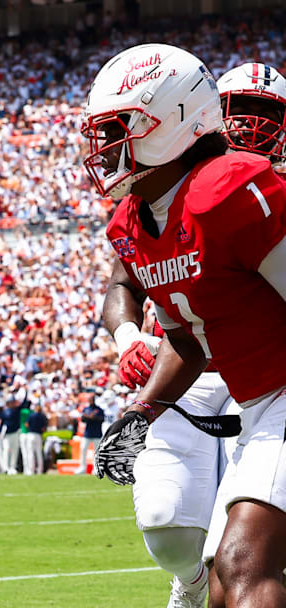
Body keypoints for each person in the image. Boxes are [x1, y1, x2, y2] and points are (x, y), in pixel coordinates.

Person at [84, 44, 286, 608]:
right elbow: (185, 340)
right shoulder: (137, 221)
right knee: (221, 586)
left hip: (280, 392)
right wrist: (142, 411)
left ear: (170, 122)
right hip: (259, 399)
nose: (105, 150)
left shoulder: (228, 187)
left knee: (245, 564)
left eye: (118, 129)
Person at [76, 399, 104, 476]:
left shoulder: (99, 410)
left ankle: (96, 468)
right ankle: (82, 468)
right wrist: (90, 417)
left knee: (96, 452)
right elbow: (83, 419)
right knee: (83, 450)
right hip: (87, 434)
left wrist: (92, 417)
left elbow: (101, 419)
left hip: (97, 434)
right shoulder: (86, 409)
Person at [22, 403, 47, 475]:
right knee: (39, 453)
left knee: (31, 453)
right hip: (39, 435)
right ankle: (40, 470)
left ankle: (31, 470)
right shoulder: (43, 416)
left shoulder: (32, 415)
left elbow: (27, 424)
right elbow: (44, 428)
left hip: (31, 434)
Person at [0, 397, 22, 475]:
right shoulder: (5, 412)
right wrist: (0, 432)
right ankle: (6, 467)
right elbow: (2, 423)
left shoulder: (17, 411)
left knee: (15, 450)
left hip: (15, 433)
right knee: (6, 450)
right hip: (7, 434)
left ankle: (13, 467)